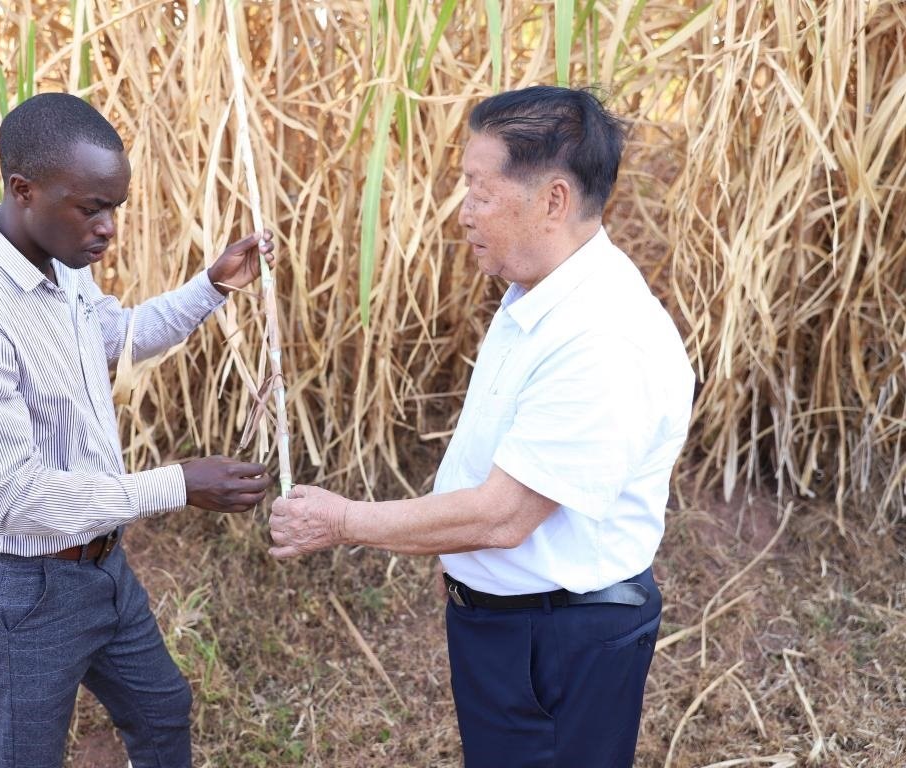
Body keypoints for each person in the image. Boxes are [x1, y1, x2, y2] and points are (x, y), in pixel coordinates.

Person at [268, 85, 694, 767]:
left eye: (479, 191)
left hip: (561, 640)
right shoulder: (539, 291)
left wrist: (342, 521)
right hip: (519, 624)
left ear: (553, 201)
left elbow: (503, 516)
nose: (463, 212)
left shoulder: (603, 339)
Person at [0, 92, 274, 768]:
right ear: (23, 190)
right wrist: (177, 484)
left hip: (100, 564)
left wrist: (211, 287)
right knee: (26, 757)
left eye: (116, 209)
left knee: (162, 711)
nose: (108, 229)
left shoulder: (59, 267)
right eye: (92, 209)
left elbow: (116, 336)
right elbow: (11, 499)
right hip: (21, 586)